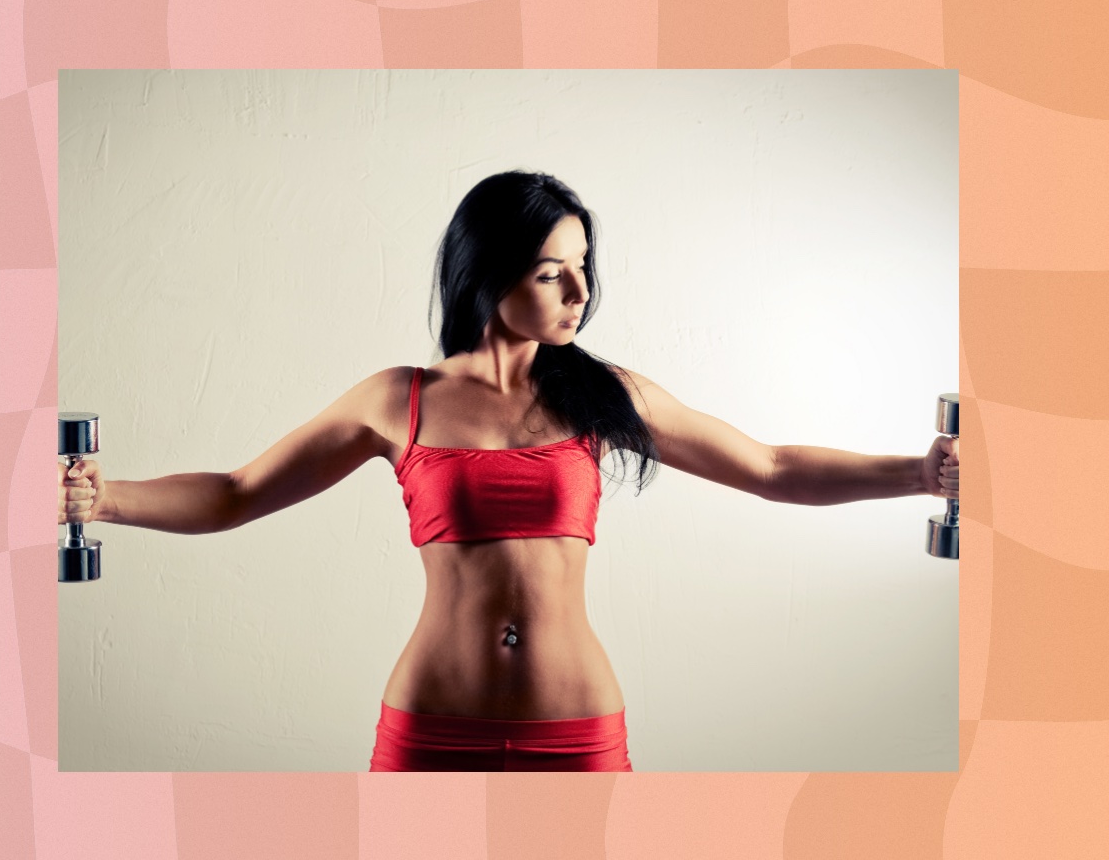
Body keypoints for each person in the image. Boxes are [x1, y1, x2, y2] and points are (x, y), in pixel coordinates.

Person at [57, 170, 960, 772]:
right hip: (429, 728)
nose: (580, 292)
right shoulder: (396, 399)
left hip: (576, 730)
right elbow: (239, 492)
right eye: (551, 271)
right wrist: (107, 499)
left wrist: (919, 473)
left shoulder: (603, 396)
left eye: (584, 269)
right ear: (489, 275)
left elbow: (769, 466)